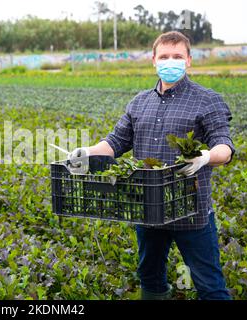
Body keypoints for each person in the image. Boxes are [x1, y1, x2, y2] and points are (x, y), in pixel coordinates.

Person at [69, 31, 235, 300]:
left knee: (209, 283)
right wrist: (86, 152)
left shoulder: (207, 99)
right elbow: (115, 142)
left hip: (191, 210)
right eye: (165, 56)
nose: (171, 61)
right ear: (154, 61)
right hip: (147, 207)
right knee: (150, 276)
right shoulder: (139, 102)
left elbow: (224, 147)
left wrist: (205, 157)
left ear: (189, 61)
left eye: (178, 57)